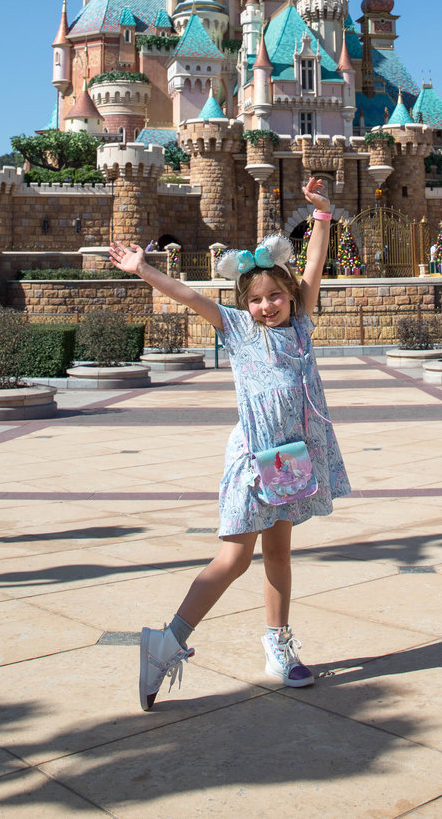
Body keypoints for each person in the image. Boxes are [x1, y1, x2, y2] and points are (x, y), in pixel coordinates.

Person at [108, 175, 351, 712]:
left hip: (291, 457)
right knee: (235, 557)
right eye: (258, 299)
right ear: (246, 303)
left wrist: (323, 217)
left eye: (276, 297)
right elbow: (188, 294)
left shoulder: (302, 322)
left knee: (280, 553)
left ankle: (279, 647)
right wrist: (144, 269)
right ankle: (166, 642)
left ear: (291, 297)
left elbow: (313, 267)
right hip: (252, 461)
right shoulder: (239, 330)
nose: (268, 306)